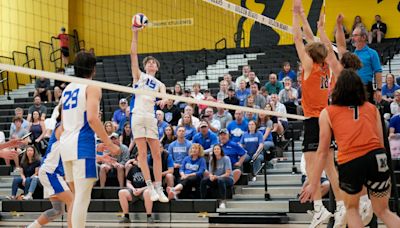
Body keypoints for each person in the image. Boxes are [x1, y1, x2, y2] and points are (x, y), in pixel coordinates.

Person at [300, 69, 400, 228]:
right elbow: (381, 144)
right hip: (377, 158)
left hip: (351, 161)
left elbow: (322, 151)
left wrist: (313, 183)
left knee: (352, 210)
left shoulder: (328, 112)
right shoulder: (371, 108)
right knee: (384, 211)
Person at [292, 1, 344, 227]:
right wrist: (304, 17)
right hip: (327, 120)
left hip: (314, 120)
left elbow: (297, 39)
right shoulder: (326, 67)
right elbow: (312, 41)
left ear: (309, 55)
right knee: (330, 166)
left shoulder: (310, 66)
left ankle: (319, 209)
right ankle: (341, 205)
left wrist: (295, 14)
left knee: (313, 168)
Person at [60, 51, 120, 228]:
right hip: (81, 145)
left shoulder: (67, 89)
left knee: (75, 196)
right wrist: (110, 144)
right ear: (93, 69)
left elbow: (64, 125)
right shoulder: (91, 87)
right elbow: (93, 119)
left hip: (67, 144)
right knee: (82, 197)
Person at [130, 27, 169, 203]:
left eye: (154, 62)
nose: (151, 64)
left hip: (151, 118)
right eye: (149, 62)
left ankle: (159, 187)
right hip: (137, 116)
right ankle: (150, 186)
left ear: (157, 67)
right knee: (142, 154)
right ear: (145, 66)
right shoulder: (138, 76)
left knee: (157, 154)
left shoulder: (160, 84)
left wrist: (164, 101)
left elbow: (167, 99)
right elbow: (133, 54)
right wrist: (135, 33)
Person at [27, 107, 74, 228]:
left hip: (51, 172)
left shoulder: (69, 130)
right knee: (72, 201)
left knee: (57, 211)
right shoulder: (61, 127)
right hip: (50, 172)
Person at [352, 25, 382, 103]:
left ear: (363, 37)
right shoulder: (352, 55)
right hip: (352, 88)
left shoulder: (372, 53)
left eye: (355, 35)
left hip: (366, 88)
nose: (353, 38)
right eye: (353, 35)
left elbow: (378, 71)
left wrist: (379, 90)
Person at [200, 144, 233, 209]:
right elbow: (210, 172)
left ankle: (222, 201)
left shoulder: (226, 159)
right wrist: (211, 176)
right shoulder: (212, 160)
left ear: (221, 150)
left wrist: (217, 177)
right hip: (216, 178)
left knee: (220, 180)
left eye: (218, 149)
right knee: (204, 181)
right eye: (215, 149)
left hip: (227, 179)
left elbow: (227, 173)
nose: (216, 150)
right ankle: (203, 200)